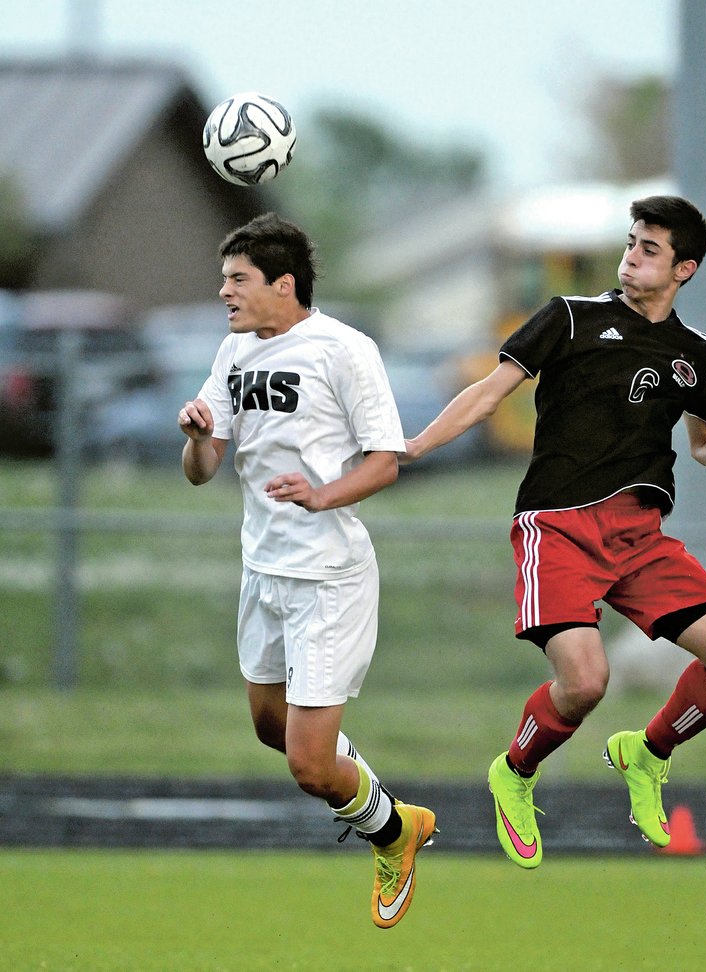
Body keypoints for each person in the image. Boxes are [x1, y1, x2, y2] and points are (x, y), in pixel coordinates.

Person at [403, 195, 706, 866]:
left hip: (640, 535)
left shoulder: (697, 355)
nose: (633, 255)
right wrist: (412, 448)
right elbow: (487, 393)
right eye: (632, 242)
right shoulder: (569, 318)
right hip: (559, 526)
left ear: (684, 269)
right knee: (587, 682)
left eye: (650, 248)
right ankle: (514, 770)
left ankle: (647, 753)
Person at [178, 212, 436, 925]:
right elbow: (204, 471)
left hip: (329, 576)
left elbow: (386, 462)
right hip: (263, 572)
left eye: (237, 279)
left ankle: (394, 832)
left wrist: (321, 495)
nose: (223, 291)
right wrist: (199, 440)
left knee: (309, 767)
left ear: (283, 284)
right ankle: (386, 808)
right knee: (271, 728)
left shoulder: (345, 350)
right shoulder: (234, 351)